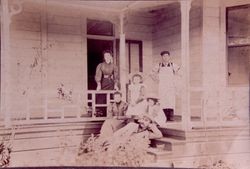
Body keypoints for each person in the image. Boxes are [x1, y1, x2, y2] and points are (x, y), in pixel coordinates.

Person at [150, 51, 180, 121]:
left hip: (170, 86)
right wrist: (156, 80)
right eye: (164, 56)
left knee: (171, 100)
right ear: (162, 57)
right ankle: (164, 116)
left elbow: (180, 73)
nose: (165, 57)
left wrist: (176, 80)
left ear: (169, 57)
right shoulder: (159, 65)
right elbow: (151, 73)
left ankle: (171, 116)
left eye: (167, 56)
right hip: (162, 86)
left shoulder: (173, 65)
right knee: (163, 100)